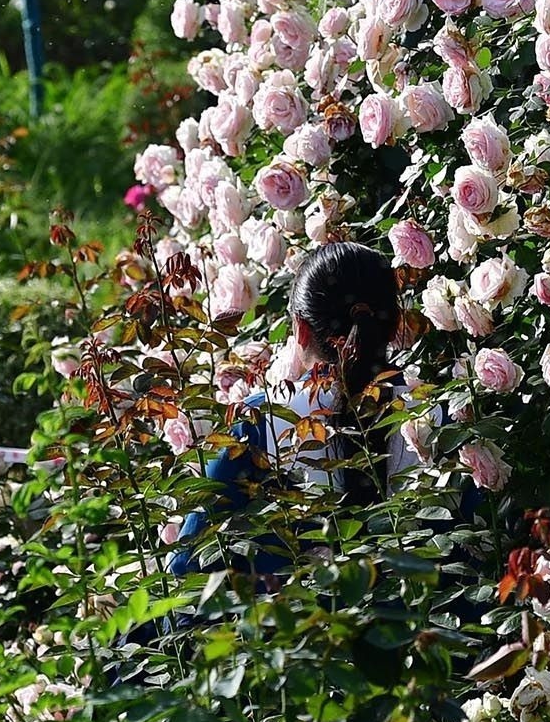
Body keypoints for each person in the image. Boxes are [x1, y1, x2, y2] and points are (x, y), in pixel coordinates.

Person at [168, 242, 404, 577]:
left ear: (300, 329)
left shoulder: (258, 425)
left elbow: (188, 566)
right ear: (394, 327)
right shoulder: (434, 418)